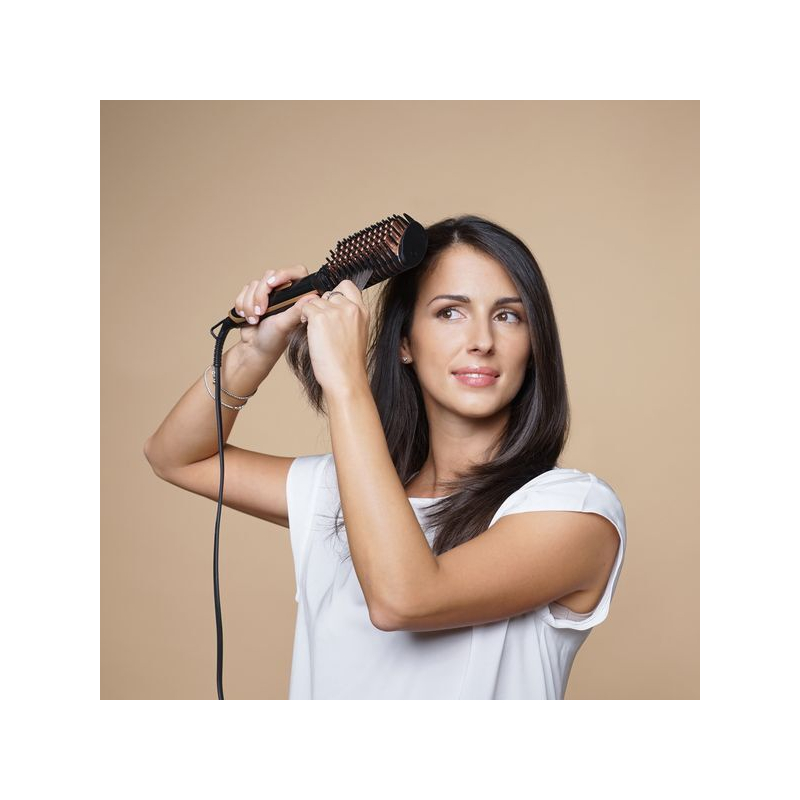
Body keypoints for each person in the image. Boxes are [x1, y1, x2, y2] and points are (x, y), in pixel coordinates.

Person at [144, 214, 627, 700]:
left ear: (534, 343)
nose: (482, 341)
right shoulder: (342, 493)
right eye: (450, 313)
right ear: (403, 343)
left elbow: (404, 599)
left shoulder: (575, 511)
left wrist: (346, 380)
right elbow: (178, 458)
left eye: (508, 316)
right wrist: (253, 354)